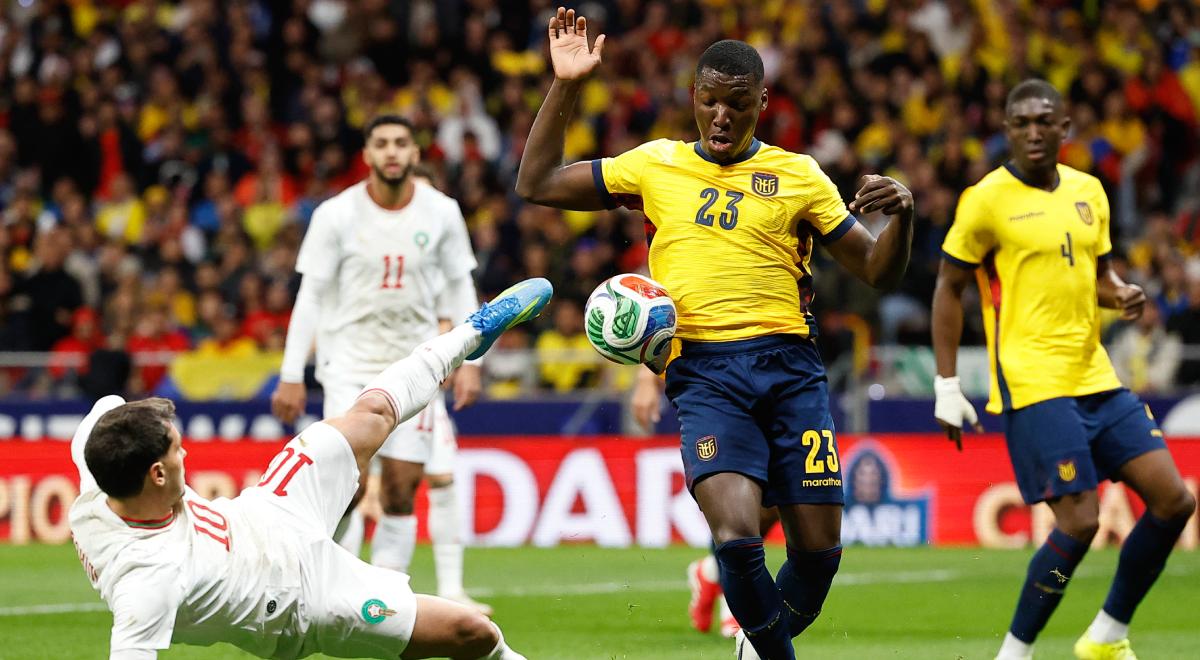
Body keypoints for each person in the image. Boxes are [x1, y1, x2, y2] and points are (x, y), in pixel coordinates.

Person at [517, 9, 915, 659]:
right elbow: (534, 185)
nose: (722, 118)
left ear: (762, 101)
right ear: (692, 100)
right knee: (735, 536)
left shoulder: (800, 176)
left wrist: (903, 218)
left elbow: (875, 267)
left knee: (817, 557)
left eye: (737, 104)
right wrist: (565, 84)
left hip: (792, 370)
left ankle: (752, 649)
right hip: (705, 373)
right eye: (709, 103)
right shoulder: (656, 166)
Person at [68, 278, 551, 660]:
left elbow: (108, 405)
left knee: (371, 416)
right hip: (301, 601)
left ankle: (471, 333)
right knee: (471, 631)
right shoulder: (145, 583)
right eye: (176, 451)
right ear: (155, 474)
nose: (185, 455)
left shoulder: (97, 456)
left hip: (268, 509)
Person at [931, 79, 1196, 660]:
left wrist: (1120, 293)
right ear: (1007, 130)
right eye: (1020, 122)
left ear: (1064, 128)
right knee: (1079, 520)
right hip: (1032, 381)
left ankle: (1105, 635)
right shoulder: (984, 200)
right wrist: (946, 384)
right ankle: (1014, 654)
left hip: (1096, 376)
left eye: (1043, 121)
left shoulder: (1090, 193)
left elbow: (1094, 277)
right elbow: (949, 288)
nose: (1032, 132)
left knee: (1175, 500)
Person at [271, 115, 492, 615]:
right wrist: (290, 372)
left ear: (415, 154)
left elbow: (460, 286)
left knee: (399, 489)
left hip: (416, 365)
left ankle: (385, 601)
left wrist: (472, 359)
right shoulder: (336, 214)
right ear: (367, 155)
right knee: (345, 484)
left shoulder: (442, 212)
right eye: (382, 144)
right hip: (347, 364)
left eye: (401, 144)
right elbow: (311, 296)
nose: (392, 152)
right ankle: (311, 586)